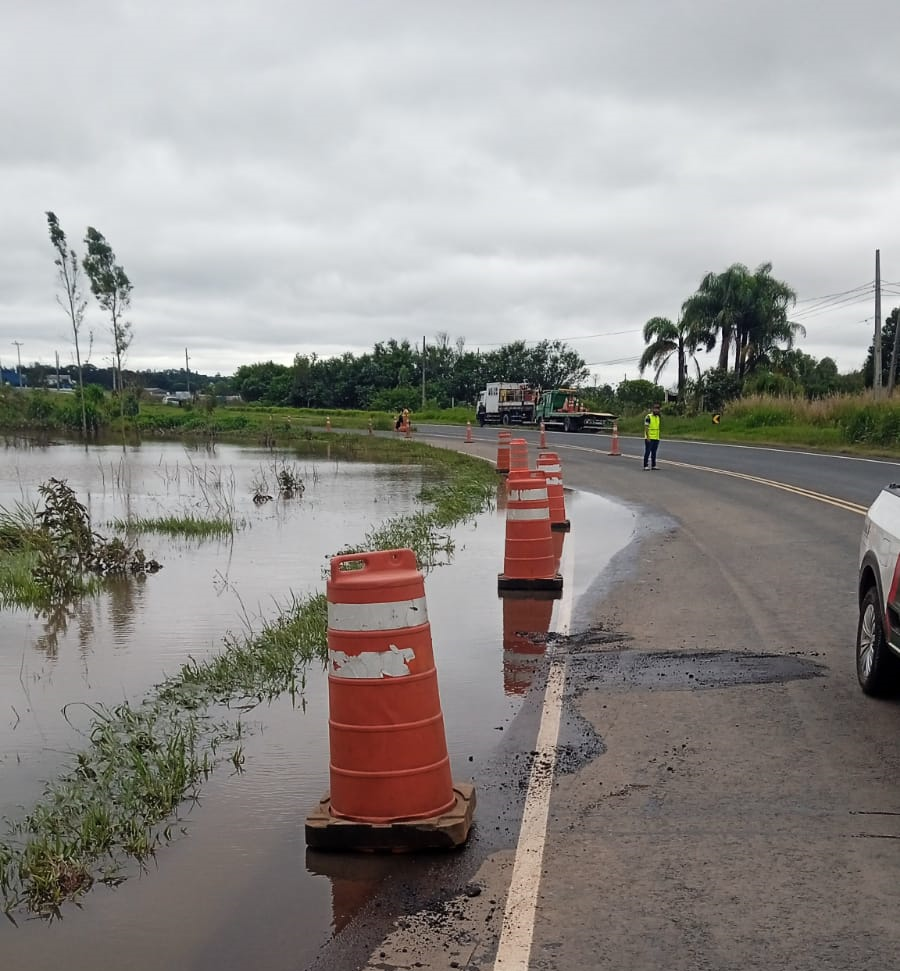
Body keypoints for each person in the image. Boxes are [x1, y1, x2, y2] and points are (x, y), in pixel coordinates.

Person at [643, 402, 661, 469]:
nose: (657, 410)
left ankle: (653, 465)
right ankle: (646, 465)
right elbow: (646, 427)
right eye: (655, 409)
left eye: (658, 409)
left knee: (654, 452)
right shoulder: (648, 417)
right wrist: (648, 437)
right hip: (649, 437)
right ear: (652, 409)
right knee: (648, 451)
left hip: (656, 437)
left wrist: (658, 437)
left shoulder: (658, 417)